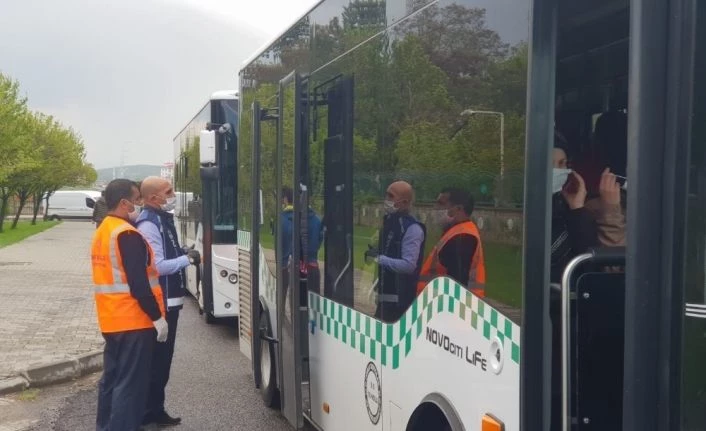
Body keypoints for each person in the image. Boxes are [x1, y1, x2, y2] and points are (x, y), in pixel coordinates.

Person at [90, 179, 167, 431]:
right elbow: (139, 283)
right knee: (131, 386)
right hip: (134, 321)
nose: (139, 204)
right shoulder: (127, 234)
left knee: (111, 381)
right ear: (124, 203)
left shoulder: (104, 230)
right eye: (137, 199)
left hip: (111, 320)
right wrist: (157, 318)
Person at [136, 176, 200, 427]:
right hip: (162, 301)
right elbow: (158, 266)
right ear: (153, 198)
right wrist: (188, 259)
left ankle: (156, 410)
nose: (173, 196)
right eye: (168, 192)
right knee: (157, 362)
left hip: (169, 299)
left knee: (163, 362)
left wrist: (182, 251)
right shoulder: (150, 224)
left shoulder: (162, 219)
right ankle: (147, 414)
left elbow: (165, 252)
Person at [365, 181, 426, 322]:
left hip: (400, 302)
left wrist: (380, 258)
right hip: (385, 298)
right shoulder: (390, 222)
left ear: (404, 202)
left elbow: (409, 265)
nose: (386, 199)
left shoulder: (412, 228)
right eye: (386, 195)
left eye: (391, 196)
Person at [417, 187, 486, 297]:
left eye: (441, 204)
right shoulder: (457, 232)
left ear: (458, 209)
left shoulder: (462, 237)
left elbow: (457, 283)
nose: (435, 208)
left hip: (450, 304)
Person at [550, 144, 599, 283]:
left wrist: (577, 208)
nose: (557, 169)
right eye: (550, 164)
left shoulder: (570, 211)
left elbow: (589, 264)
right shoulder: (526, 207)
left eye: (562, 163)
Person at [280, 186, 323, 295]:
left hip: (294, 266)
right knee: (313, 301)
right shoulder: (317, 221)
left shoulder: (287, 219)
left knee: (294, 298)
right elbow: (318, 242)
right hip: (312, 266)